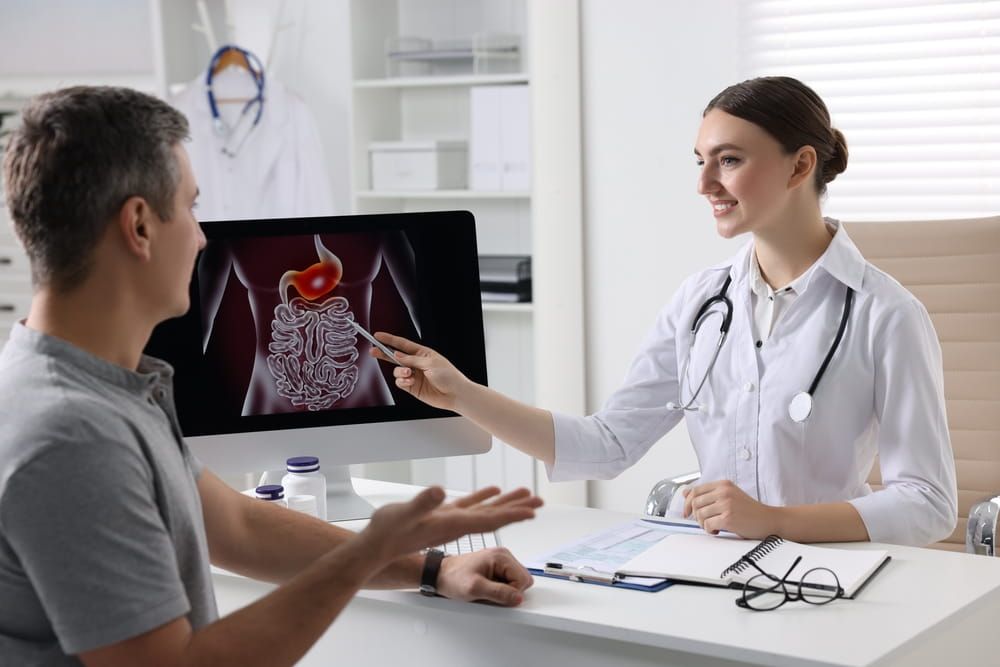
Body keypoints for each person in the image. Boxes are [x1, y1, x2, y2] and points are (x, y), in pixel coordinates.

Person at [0, 86, 542, 667]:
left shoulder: (111, 388)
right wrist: (366, 552)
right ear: (139, 226)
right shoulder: (72, 437)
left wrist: (434, 567)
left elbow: (238, 526)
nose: (202, 235)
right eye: (190, 207)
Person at [372, 76, 958, 548]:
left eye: (728, 160)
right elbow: (605, 446)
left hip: (823, 576)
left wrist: (773, 519)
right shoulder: (701, 302)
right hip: (703, 564)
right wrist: (462, 393)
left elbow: (928, 505)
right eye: (699, 160)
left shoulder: (887, 314)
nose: (704, 183)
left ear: (801, 166)